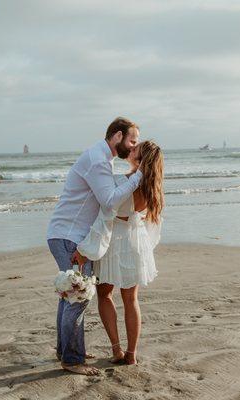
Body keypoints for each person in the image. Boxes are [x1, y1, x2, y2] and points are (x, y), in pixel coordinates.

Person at [47, 117, 142, 375]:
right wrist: (138, 177)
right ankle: (73, 360)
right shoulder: (99, 160)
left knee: (69, 294)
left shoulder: (100, 157)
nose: (134, 147)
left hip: (65, 234)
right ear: (117, 136)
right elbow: (109, 201)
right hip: (69, 237)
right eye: (132, 141)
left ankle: (65, 350)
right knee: (78, 296)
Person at [75, 140, 164, 365]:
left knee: (105, 295)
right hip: (136, 239)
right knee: (131, 299)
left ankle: (117, 350)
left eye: (135, 150)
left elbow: (104, 217)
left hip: (114, 241)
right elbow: (152, 223)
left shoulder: (120, 182)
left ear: (139, 159)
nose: (130, 150)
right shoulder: (153, 187)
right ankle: (131, 354)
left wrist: (86, 248)